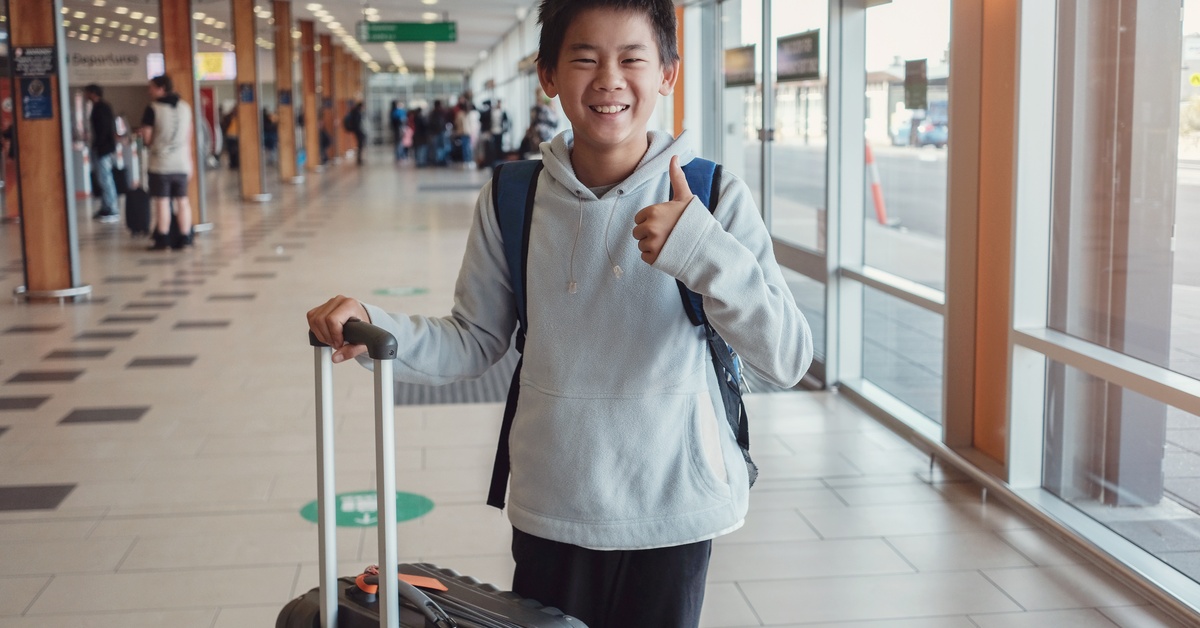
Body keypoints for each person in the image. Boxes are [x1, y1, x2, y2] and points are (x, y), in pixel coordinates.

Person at [306, 0, 813, 625]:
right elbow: (473, 339)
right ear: (547, 75)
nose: (609, 79)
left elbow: (787, 357)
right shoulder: (513, 196)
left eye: (632, 58)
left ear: (667, 74)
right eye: (584, 58)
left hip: (673, 510)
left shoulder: (713, 195)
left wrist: (702, 250)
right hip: (555, 505)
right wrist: (373, 327)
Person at [139, 74, 194, 251]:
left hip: (160, 164)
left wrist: (149, 138)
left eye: (152, 87)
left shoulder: (152, 108)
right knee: (183, 201)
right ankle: (185, 237)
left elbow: (147, 137)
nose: (149, 91)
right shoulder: (186, 107)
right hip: (182, 163)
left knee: (162, 202)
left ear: (161, 88)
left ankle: (163, 239)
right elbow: (188, 136)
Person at [84, 84, 120, 223]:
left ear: (93, 93)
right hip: (102, 147)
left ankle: (112, 208)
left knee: (105, 178)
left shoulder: (101, 108)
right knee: (102, 178)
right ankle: (106, 206)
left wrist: (99, 146)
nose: (86, 95)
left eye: (87, 92)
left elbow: (104, 129)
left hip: (103, 148)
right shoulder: (100, 107)